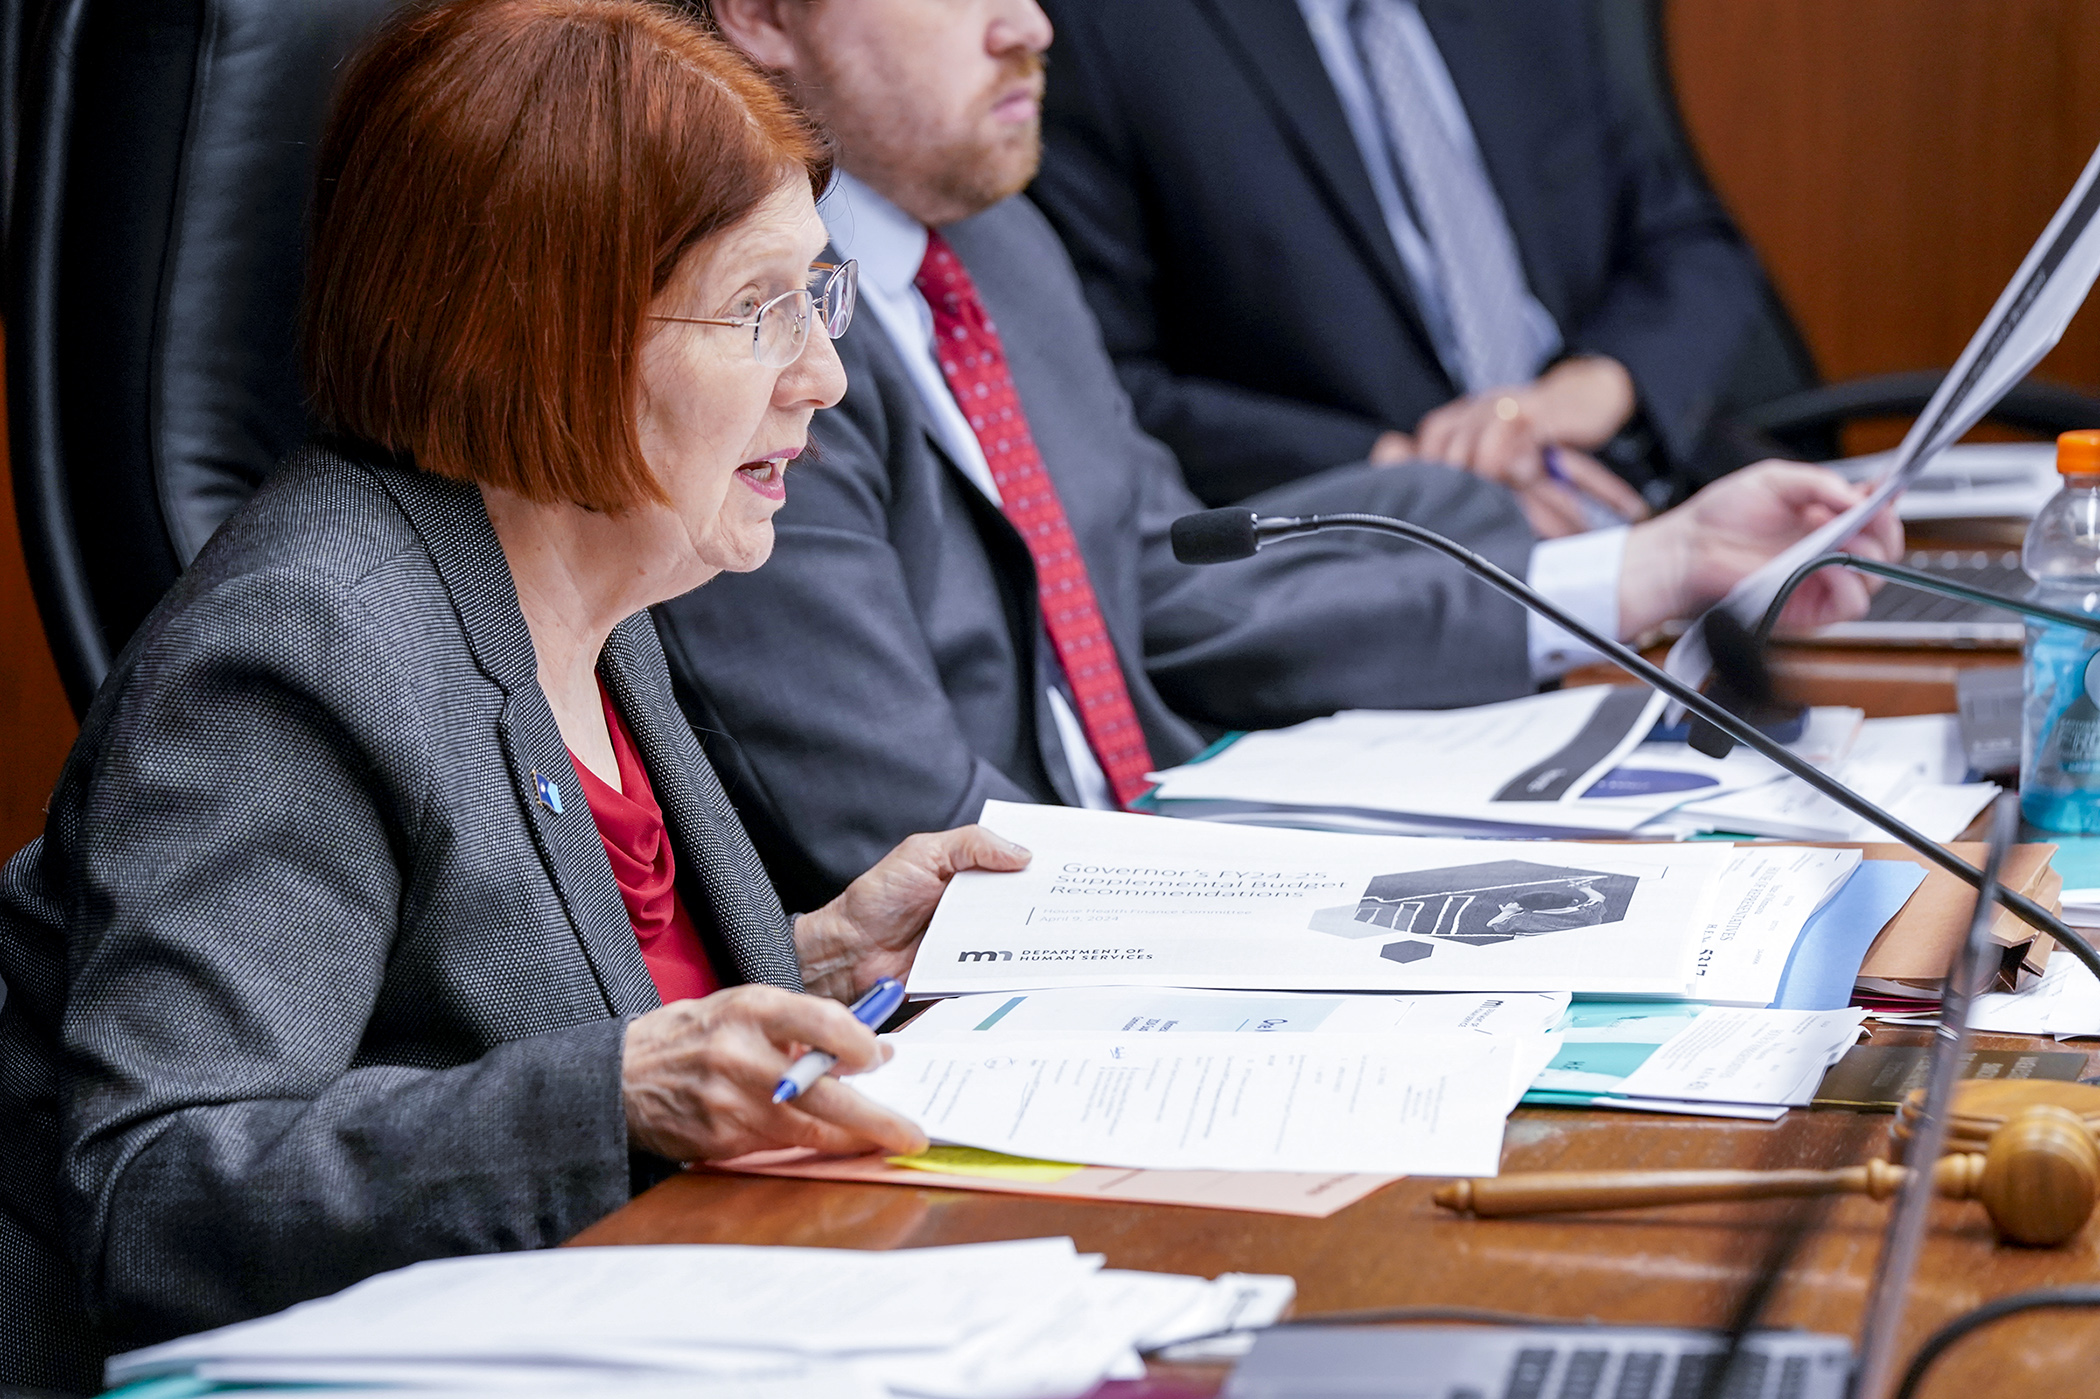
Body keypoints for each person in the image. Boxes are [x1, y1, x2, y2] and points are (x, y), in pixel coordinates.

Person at [0, 4, 1027, 1389]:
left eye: (820, 296)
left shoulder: (597, 585)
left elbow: (498, 988)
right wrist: (610, 1096)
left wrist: (813, 957)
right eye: (756, 310)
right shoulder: (300, 650)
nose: (825, 376)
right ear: (549, 330)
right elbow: (157, 1188)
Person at [658, 0, 1898, 912]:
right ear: (764, 18)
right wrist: (1285, 900)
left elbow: (1174, 583)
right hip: (1011, 972)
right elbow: (910, 834)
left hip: (1158, 877)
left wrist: (1648, 563)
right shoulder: (763, 342)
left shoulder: (1001, 254)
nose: (1029, 23)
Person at [1029, 0, 1767, 528]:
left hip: (1642, 484)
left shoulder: (1530, 17)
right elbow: (1104, 390)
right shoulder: (1103, 32)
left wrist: (1596, 387)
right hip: (1375, 552)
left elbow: (1693, 242)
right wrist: (1406, 471)